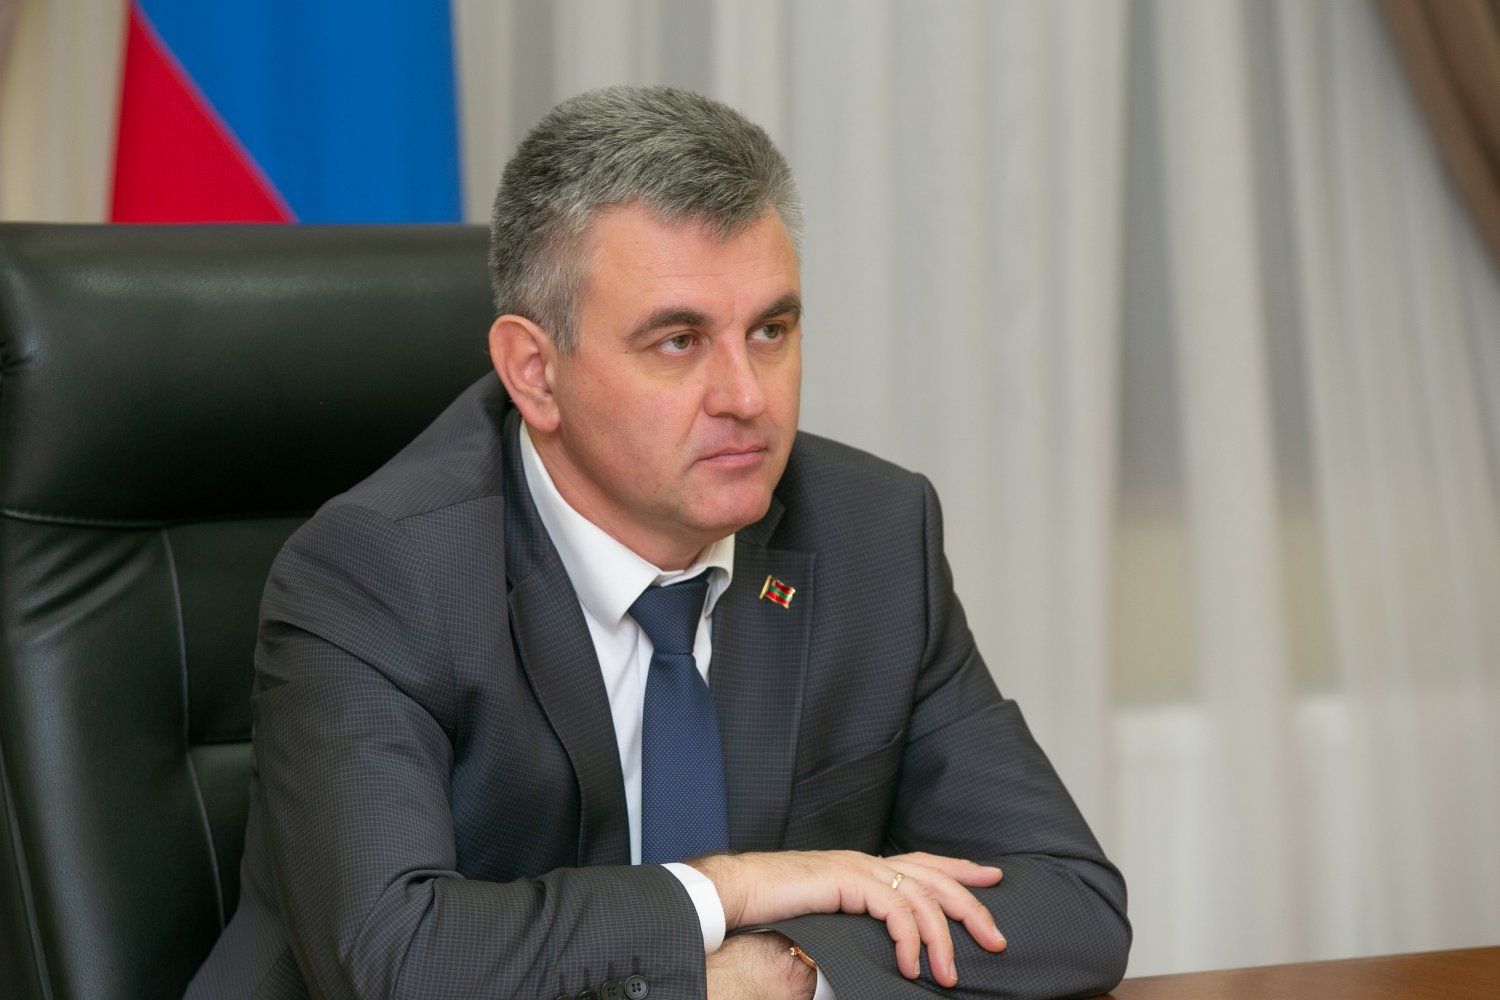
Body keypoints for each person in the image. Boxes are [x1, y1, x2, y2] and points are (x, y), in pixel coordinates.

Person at [187, 85, 1129, 1000]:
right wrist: (732, 892)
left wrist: (785, 970)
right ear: (534, 372)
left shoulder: (871, 535)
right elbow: (398, 962)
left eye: (771, 330)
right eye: (679, 341)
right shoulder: (378, 574)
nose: (747, 397)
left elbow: (1068, 905)